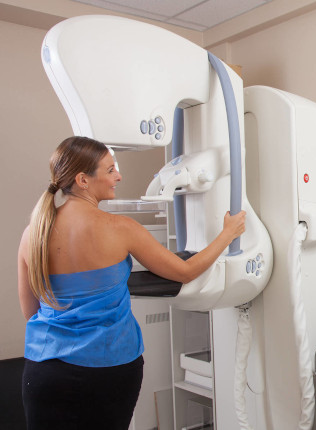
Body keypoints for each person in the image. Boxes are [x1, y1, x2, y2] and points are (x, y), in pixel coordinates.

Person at [17, 136, 247, 429]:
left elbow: (30, 311)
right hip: (108, 369)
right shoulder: (120, 228)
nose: (118, 176)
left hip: (44, 371)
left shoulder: (32, 234)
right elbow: (186, 271)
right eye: (110, 169)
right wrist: (228, 234)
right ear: (83, 180)